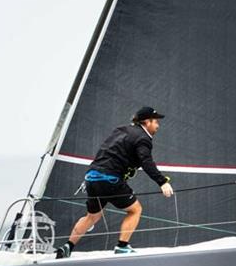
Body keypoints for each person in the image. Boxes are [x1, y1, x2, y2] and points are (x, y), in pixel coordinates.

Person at [55, 106, 174, 258]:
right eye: (156, 121)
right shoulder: (143, 138)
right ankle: (122, 246)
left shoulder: (120, 130)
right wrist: (162, 182)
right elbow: (146, 162)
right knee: (135, 210)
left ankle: (67, 246)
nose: (158, 125)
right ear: (146, 122)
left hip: (91, 177)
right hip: (110, 179)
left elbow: (110, 152)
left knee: (92, 217)